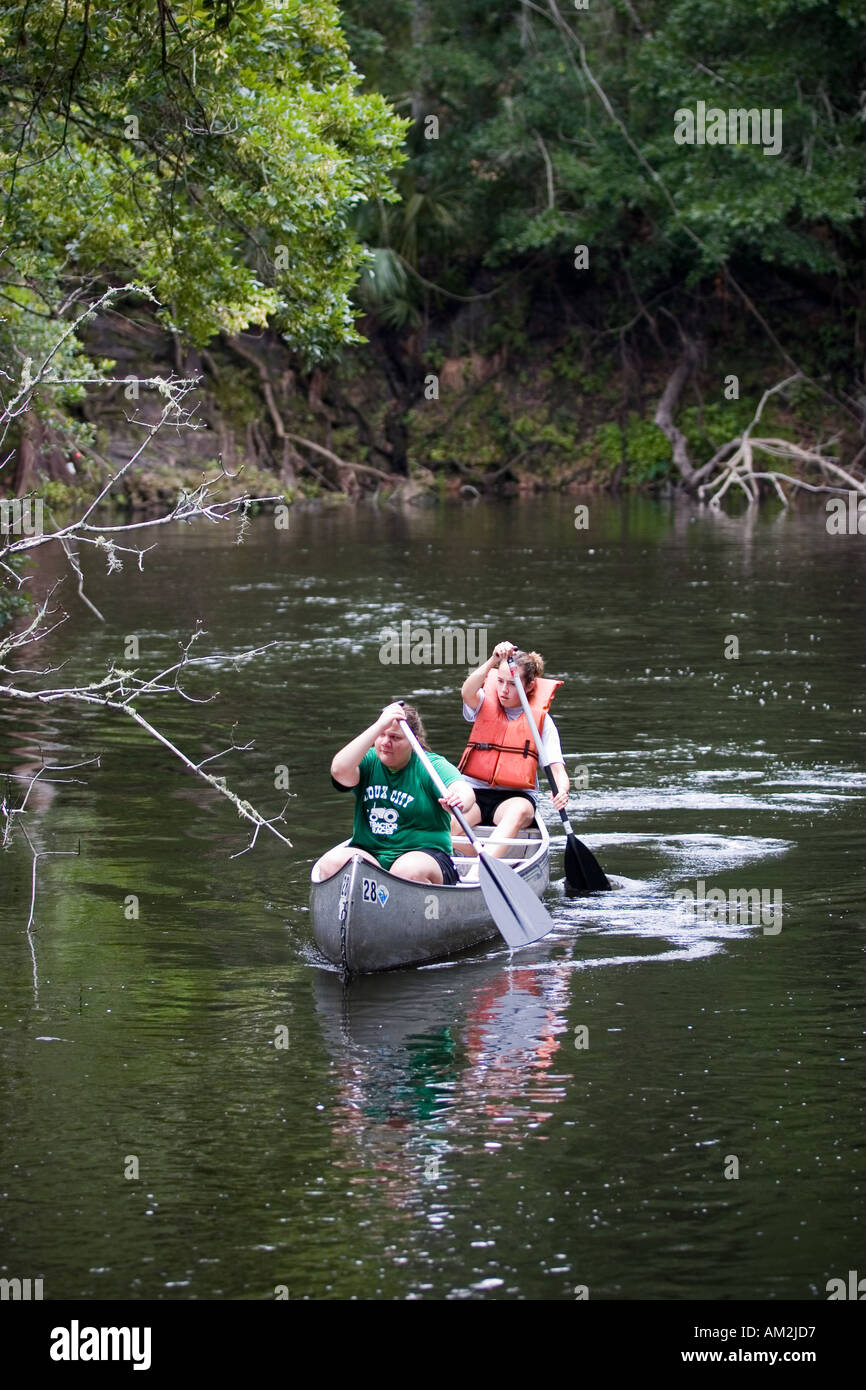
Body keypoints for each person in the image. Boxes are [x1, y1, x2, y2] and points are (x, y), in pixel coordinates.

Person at [313, 701, 476, 885]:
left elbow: (464, 791)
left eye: (395, 737)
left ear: (413, 741)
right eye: (381, 735)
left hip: (424, 855)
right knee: (330, 864)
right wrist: (379, 725)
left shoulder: (430, 765)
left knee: (407, 871)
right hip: (370, 853)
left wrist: (458, 800)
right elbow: (339, 771)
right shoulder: (368, 760)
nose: (385, 742)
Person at [454, 641, 569, 868]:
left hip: (513, 799)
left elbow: (557, 769)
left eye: (512, 684)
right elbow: (466, 691)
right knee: (447, 824)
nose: (504, 690)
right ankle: (483, 860)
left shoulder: (542, 722)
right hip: (474, 793)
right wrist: (493, 660)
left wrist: (562, 790)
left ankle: (483, 871)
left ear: (529, 686)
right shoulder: (483, 703)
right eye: (500, 681)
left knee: (517, 811)